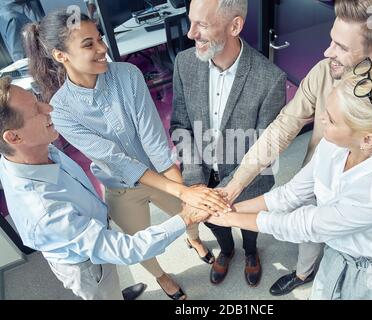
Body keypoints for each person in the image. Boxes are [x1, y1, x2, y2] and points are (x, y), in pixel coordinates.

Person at [221, 0, 372, 296]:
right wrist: (234, 187)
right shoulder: (325, 72)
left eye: (341, 46)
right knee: (310, 245)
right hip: (310, 188)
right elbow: (284, 126)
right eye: (331, 40)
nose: (327, 52)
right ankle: (303, 272)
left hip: (364, 217)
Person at [22, 10, 230, 300]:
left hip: (159, 174)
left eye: (99, 39)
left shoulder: (128, 75)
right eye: (88, 44)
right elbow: (115, 159)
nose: (102, 48)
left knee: (191, 217)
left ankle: (193, 240)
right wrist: (182, 192)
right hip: (121, 188)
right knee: (137, 245)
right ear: (60, 56)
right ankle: (162, 277)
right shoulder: (62, 111)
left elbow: (154, 140)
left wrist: (183, 192)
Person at [205, 63, 372, 299]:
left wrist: (229, 219)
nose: (321, 118)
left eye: (332, 120)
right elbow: (291, 194)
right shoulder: (334, 145)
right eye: (326, 109)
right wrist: (227, 207)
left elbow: (302, 226)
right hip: (338, 253)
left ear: (367, 139)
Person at [0, 77, 210, 300]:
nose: (48, 107)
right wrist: (185, 218)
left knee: (113, 282)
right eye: (36, 110)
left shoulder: (33, 151)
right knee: (106, 293)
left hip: (96, 233)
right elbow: (127, 250)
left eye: (38, 100)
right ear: (13, 137)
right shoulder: (44, 213)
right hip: (88, 268)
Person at [170, 0, 286, 287]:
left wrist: (229, 190)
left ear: (235, 26)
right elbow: (180, 126)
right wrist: (196, 183)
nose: (190, 34)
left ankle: (249, 252)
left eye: (203, 25)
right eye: (191, 21)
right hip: (203, 176)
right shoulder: (184, 63)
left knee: (248, 225)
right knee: (213, 221)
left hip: (249, 180)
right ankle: (226, 249)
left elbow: (265, 147)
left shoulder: (270, 79)